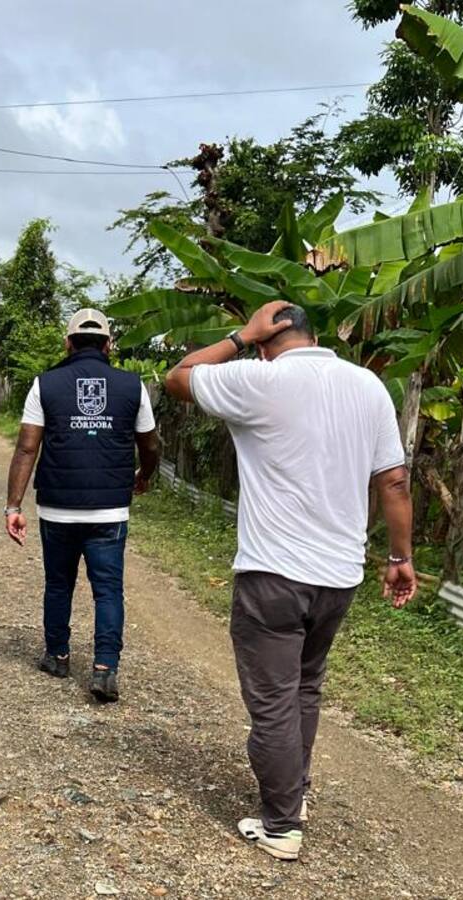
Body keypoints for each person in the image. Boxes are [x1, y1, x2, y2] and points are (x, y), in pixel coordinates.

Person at [164, 300, 417, 862]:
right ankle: (292, 795)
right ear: (314, 334)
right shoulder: (369, 386)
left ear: (265, 340)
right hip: (340, 576)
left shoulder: (259, 379)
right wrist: (400, 556)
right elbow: (395, 482)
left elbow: (176, 377)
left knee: (275, 700)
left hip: (273, 574)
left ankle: (281, 824)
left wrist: (236, 335)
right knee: (304, 688)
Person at [4, 308, 160, 703]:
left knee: (59, 584)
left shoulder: (45, 384)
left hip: (57, 507)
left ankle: (57, 655)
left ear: (68, 343)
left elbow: (26, 447)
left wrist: (13, 505)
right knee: (108, 590)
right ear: (109, 345)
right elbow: (151, 444)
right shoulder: (132, 385)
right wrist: (145, 474)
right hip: (109, 509)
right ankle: (105, 668)